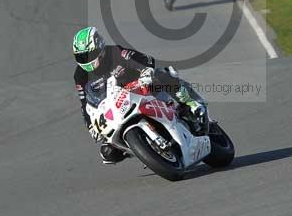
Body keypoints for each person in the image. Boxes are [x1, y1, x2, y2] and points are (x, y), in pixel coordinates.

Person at [72, 27, 204, 164]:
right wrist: (91, 127)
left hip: (141, 89)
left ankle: (190, 102)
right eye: (81, 57)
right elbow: (85, 103)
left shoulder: (115, 52)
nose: (85, 60)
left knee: (162, 75)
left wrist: (145, 72)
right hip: (115, 107)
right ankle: (141, 149)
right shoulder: (80, 75)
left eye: (89, 54)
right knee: (108, 153)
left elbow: (144, 59)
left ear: (100, 47)